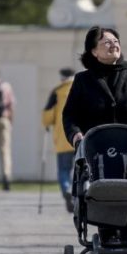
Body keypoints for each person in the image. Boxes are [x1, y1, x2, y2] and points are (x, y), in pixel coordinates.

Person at [62, 26, 127, 254]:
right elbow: (69, 115)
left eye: (116, 41)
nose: (113, 45)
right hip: (97, 156)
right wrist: (76, 134)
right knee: (98, 192)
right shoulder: (83, 80)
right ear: (93, 51)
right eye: (106, 42)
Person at [41, 67, 76, 213]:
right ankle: (78, 194)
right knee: (82, 169)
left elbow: (47, 116)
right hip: (80, 137)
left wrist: (47, 124)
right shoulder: (81, 89)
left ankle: (67, 189)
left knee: (63, 169)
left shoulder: (56, 92)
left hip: (63, 139)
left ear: (62, 78)